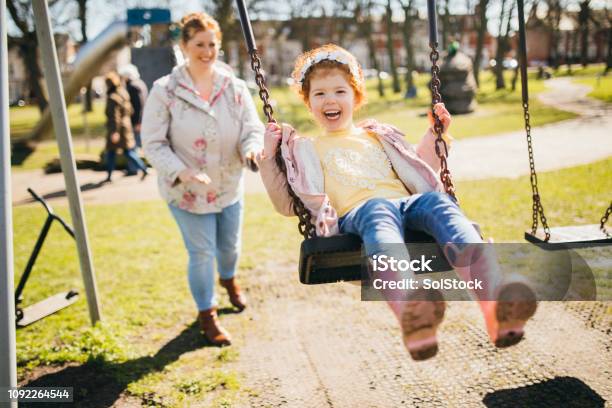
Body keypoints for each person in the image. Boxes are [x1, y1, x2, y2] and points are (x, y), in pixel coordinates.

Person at [259, 44, 537, 361]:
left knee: (437, 203)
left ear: (356, 98)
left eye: (340, 91)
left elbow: (418, 167)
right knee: (376, 210)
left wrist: (437, 135)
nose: (330, 99)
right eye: (320, 94)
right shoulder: (304, 149)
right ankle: (411, 310)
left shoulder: (378, 135)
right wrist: (270, 156)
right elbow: (286, 204)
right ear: (308, 104)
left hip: (406, 206)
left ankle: (496, 303)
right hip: (358, 216)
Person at [141, 12, 264, 346]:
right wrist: (182, 170)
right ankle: (207, 315)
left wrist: (252, 149)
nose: (206, 51)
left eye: (212, 44)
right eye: (199, 44)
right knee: (201, 253)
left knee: (229, 248)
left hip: (228, 185)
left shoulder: (234, 87)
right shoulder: (165, 91)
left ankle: (229, 280)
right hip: (188, 191)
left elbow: (252, 128)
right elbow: (152, 142)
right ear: (184, 46)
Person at [104, 72, 148, 182]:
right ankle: (143, 168)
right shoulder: (123, 93)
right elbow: (130, 110)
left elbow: (114, 116)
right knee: (126, 152)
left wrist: (114, 131)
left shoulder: (113, 97)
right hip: (126, 126)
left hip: (117, 129)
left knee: (113, 153)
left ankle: (109, 174)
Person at [118, 64, 148, 149]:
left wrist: (138, 122)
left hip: (136, 121)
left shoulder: (133, 86)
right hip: (139, 119)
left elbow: (139, 105)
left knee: (136, 146)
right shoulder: (139, 83)